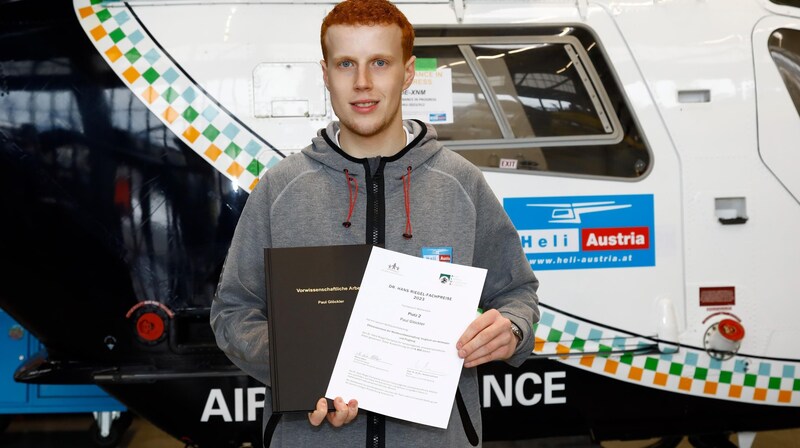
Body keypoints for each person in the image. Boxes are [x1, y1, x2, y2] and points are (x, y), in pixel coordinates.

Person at [210, 0, 540, 446]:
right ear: (325, 74)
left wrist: (512, 329)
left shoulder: (461, 183)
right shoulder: (280, 188)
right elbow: (233, 312)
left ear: (408, 72)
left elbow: (517, 293)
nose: (362, 83)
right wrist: (299, 368)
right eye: (346, 64)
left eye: (379, 63)